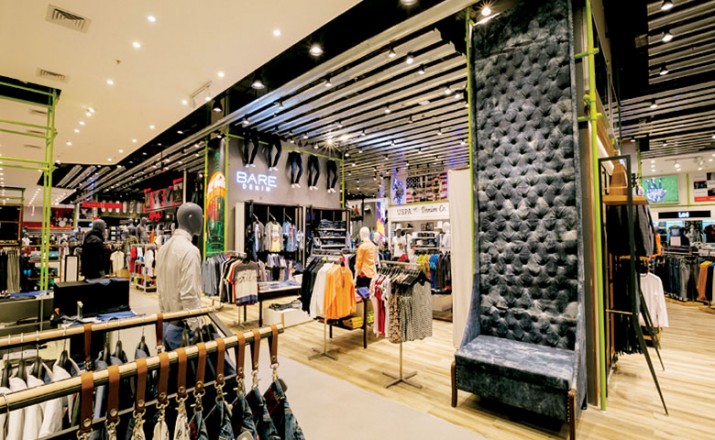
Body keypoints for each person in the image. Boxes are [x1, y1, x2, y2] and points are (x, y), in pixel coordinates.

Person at [155, 203, 203, 350]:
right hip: (182, 328)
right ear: (191, 218)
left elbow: (160, 288)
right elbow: (189, 295)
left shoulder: (163, 248)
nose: (202, 221)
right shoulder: (190, 251)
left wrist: (165, 315)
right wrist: (197, 328)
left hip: (167, 322)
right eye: (200, 217)